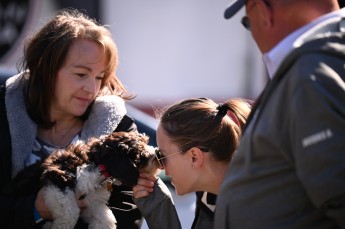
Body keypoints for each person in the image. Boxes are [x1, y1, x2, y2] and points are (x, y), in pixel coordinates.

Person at [0, 9, 144, 228]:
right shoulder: (4, 114)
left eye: (99, 77)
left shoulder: (119, 130)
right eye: (80, 74)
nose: (92, 88)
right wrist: (35, 210)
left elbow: (128, 211)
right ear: (44, 68)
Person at [215, 0, 345, 228]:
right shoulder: (321, 59)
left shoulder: (311, 70)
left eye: (248, 22)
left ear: (263, 12)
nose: (253, 33)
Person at [132, 97, 252, 229]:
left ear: (194, 157)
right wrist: (158, 206)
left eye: (162, 156)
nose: (160, 165)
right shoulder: (209, 198)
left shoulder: (258, 206)